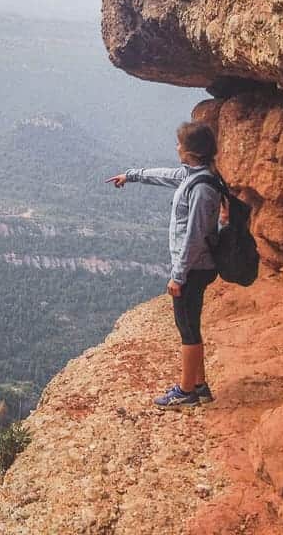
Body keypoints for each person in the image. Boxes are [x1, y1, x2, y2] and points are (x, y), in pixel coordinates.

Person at [106, 121, 222, 408]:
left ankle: (186, 393)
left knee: (187, 328)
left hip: (195, 268)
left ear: (191, 152)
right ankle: (199, 385)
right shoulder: (194, 176)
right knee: (190, 325)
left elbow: (194, 237)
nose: (176, 147)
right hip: (197, 266)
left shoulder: (202, 188)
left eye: (180, 144)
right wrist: (131, 176)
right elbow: (165, 176)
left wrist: (178, 276)